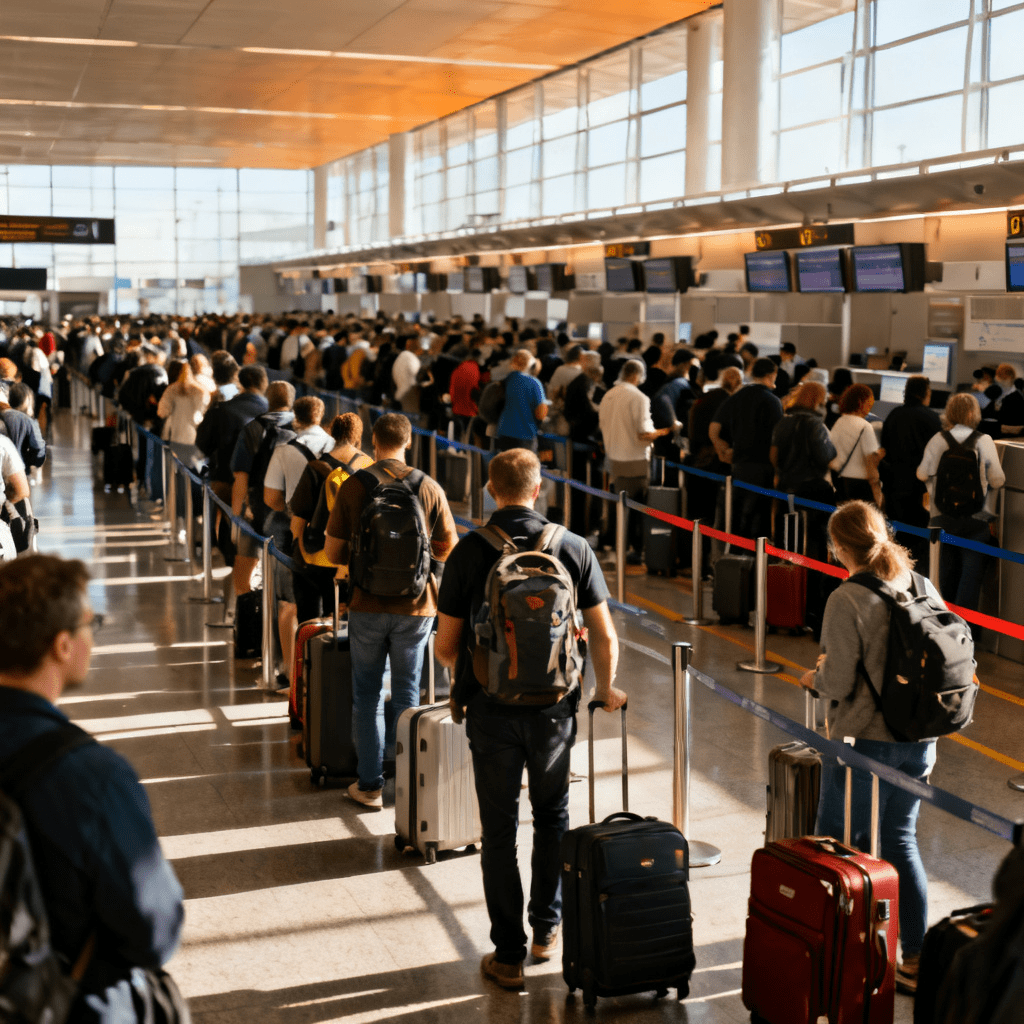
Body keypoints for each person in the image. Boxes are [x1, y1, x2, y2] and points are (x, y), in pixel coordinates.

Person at [434, 448, 626, 990]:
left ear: (490, 490)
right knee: (552, 819)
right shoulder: (574, 547)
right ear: (539, 490)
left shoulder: (471, 551)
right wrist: (606, 688)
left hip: (490, 714)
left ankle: (508, 956)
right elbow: (604, 635)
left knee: (498, 833)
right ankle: (547, 931)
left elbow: (447, 648)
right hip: (554, 712)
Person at [0, 554, 184, 1021]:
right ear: (62, 646)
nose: (92, 636)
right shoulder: (90, 776)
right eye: (90, 624)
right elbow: (153, 931)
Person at [799, 501, 943, 996]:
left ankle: (837, 951)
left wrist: (812, 676)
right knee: (901, 840)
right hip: (921, 740)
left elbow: (836, 679)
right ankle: (918, 957)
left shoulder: (848, 597)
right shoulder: (920, 584)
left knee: (840, 843)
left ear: (839, 546)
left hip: (864, 741)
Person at [323, 413, 457, 809]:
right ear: (408, 443)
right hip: (417, 608)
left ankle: (369, 786)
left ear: (375, 444)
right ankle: (409, 785)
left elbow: (332, 551)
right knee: (406, 694)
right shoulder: (428, 487)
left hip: (365, 604)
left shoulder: (354, 485)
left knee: (366, 695)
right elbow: (448, 546)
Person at [263, 396, 334, 689]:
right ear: (321, 416)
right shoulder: (335, 446)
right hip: (332, 537)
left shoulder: (284, 450)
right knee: (332, 607)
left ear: (296, 419)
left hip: (295, 533)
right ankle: (329, 671)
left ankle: (294, 674)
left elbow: (272, 498)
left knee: (290, 605)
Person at [916, 392, 1005, 618]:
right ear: (974, 413)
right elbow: (998, 480)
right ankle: (964, 631)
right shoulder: (983, 440)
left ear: (950, 412)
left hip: (943, 518)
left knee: (944, 573)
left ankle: (942, 625)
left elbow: (921, 473)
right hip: (975, 520)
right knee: (970, 574)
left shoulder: (939, 439)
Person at [289, 412, 373, 623]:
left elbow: (297, 521)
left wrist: (300, 550)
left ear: (332, 434)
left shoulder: (316, 467)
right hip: (352, 560)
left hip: (316, 557)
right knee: (345, 627)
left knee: (310, 622)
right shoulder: (369, 467)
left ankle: (308, 655)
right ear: (358, 436)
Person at [598, 359, 669, 561]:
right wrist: (664, 432)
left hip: (613, 459)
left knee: (617, 506)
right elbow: (643, 433)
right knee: (637, 510)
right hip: (635, 461)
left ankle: (614, 544)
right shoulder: (639, 398)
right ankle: (635, 550)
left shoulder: (608, 395)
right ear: (637, 375)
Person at [229, 381, 295, 598]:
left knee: (243, 577)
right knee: (285, 585)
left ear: (268, 400)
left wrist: (236, 519)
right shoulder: (299, 430)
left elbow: (241, 477)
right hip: (288, 515)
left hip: (253, 512)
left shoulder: (252, 429)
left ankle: (249, 622)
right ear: (291, 401)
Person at [711, 358, 783, 542]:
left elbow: (714, 428)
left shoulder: (737, 396)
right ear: (771, 375)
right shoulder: (773, 401)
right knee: (758, 520)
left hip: (739, 464)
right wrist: (778, 470)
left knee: (738, 517)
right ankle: (755, 563)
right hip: (763, 465)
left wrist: (722, 450)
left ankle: (736, 559)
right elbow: (776, 440)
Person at [879, 376, 941, 558]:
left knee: (899, 538)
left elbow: (884, 450)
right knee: (919, 540)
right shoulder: (932, 418)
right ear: (925, 394)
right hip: (919, 489)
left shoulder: (893, 415)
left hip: (894, 486)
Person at [829, 383, 884, 506]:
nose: (870, 407)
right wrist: (877, 491)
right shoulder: (865, 426)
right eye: (869, 403)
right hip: (862, 485)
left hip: (843, 482)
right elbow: (870, 463)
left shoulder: (840, 422)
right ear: (860, 402)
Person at [495, 349, 548, 452]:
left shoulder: (509, 379)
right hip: (525, 433)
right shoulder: (535, 383)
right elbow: (541, 413)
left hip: (504, 430)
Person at [1, 382, 47, 474]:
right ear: (27, 400)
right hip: (18, 472)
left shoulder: (3, 414)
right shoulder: (28, 421)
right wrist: (26, 461)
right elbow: (39, 449)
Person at [992, 362, 1024, 435]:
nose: (1000, 381)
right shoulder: (999, 394)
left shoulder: (1016, 397)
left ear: (1010, 378)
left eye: (1003, 378)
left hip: (1011, 435)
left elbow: (1014, 422)